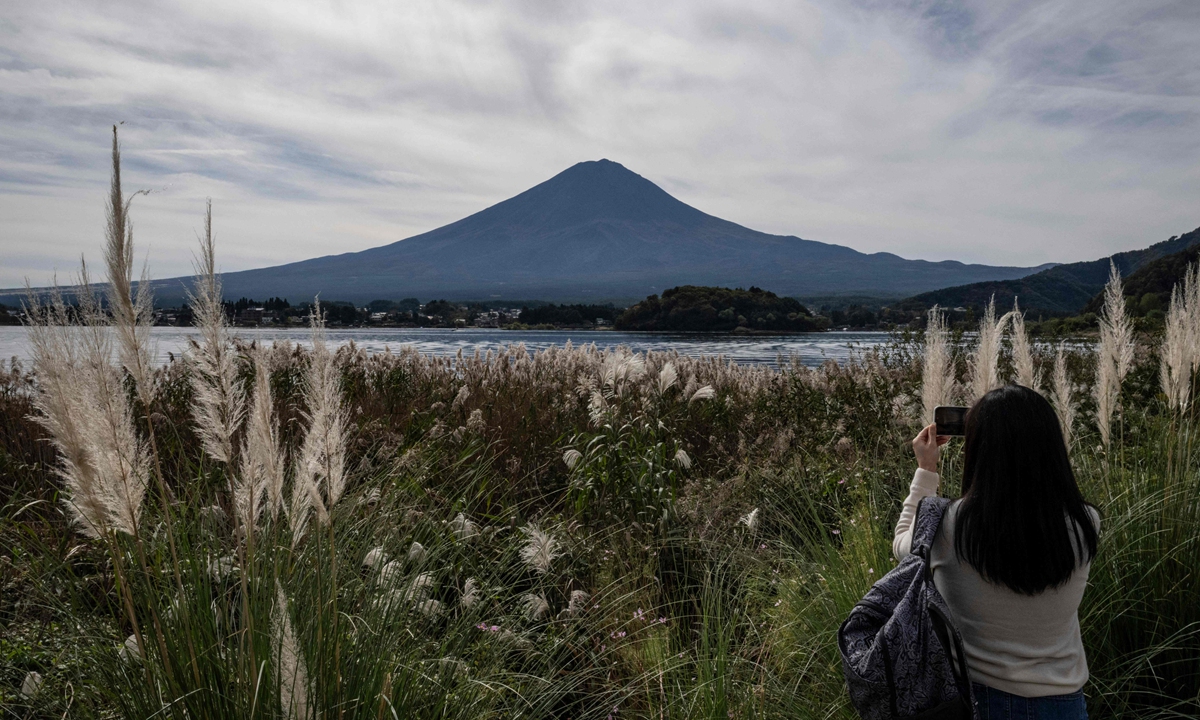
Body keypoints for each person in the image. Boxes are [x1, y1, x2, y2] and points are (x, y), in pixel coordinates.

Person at [894, 385, 1100, 720]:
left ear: (978, 449)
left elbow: (904, 545)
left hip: (979, 702)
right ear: (1051, 446)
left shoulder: (950, 524)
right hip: (1063, 705)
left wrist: (926, 471)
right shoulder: (1085, 521)